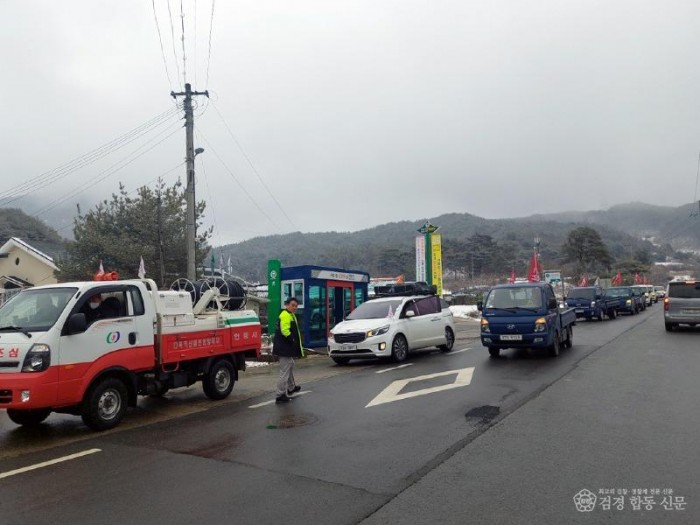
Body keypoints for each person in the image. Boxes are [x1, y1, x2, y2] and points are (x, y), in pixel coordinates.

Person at [272, 297, 305, 404]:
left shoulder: (290, 315)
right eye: (292, 305)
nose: (295, 307)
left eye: (296, 306)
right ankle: (280, 394)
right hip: (284, 348)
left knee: (290, 364)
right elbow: (285, 330)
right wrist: (293, 339)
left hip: (286, 347)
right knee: (284, 372)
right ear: (287, 305)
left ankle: (291, 387)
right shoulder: (285, 315)